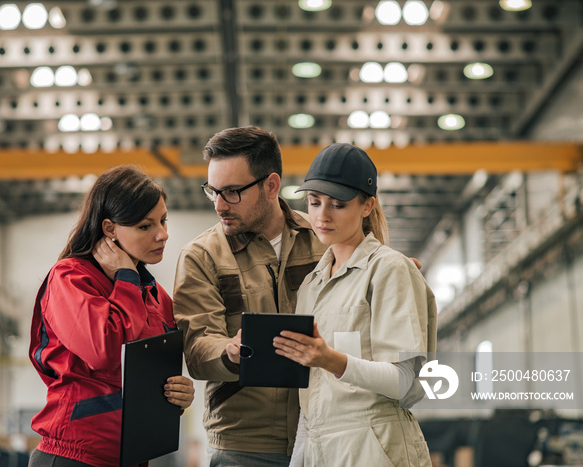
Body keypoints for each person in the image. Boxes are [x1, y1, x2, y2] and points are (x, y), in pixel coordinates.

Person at [272, 143, 437, 467]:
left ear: (367, 206)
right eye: (314, 202)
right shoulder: (312, 285)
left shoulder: (388, 269)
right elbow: (312, 408)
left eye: (337, 205)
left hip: (375, 448)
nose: (321, 215)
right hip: (321, 450)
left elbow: (409, 383)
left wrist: (332, 360)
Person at [173, 126, 327, 466]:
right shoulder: (201, 256)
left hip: (324, 432)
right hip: (244, 444)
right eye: (212, 191)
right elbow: (197, 346)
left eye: (232, 192)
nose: (219, 205)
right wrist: (228, 352)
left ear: (271, 185)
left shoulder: (322, 243)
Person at [28, 165, 195, 467]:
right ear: (109, 229)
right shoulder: (70, 278)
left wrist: (177, 396)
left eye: (163, 220)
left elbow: (150, 372)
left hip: (132, 457)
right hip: (73, 456)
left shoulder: (156, 295)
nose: (163, 234)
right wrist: (127, 279)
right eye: (146, 226)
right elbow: (104, 350)